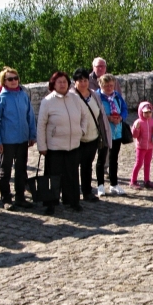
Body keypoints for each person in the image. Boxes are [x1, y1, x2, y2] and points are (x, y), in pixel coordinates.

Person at [37, 71, 88, 214]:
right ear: (53, 84)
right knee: (53, 176)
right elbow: (41, 125)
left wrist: (81, 131)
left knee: (72, 176)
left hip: (73, 145)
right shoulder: (47, 101)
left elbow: (84, 116)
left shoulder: (75, 98)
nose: (62, 84)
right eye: (59, 82)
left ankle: (73, 201)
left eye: (64, 81)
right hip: (55, 146)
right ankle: (51, 204)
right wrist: (42, 146)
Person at [0, 67, 37, 210]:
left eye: (16, 78)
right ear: (4, 81)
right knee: (5, 171)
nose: (13, 81)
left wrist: (32, 134)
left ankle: (20, 198)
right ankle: (6, 199)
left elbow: (30, 116)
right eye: (10, 79)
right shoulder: (1, 98)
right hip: (7, 141)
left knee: (21, 170)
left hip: (22, 139)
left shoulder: (23, 95)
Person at [70, 68, 109, 203]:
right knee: (74, 166)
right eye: (80, 80)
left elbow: (100, 114)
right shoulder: (71, 97)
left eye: (85, 80)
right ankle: (73, 192)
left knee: (87, 165)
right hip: (77, 138)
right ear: (75, 82)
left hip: (93, 136)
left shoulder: (93, 95)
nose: (83, 83)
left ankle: (87, 191)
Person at [96, 73, 128, 196]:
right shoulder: (97, 97)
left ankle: (114, 184)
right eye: (106, 86)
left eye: (111, 85)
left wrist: (120, 117)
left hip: (116, 131)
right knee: (102, 158)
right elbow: (96, 113)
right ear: (101, 85)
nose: (109, 88)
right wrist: (107, 118)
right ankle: (100, 185)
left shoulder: (117, 96)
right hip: (104, 132)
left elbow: (124, 109)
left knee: (114, 159)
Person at [129, 101, 153, 189]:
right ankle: (133, 181)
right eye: (145, 112)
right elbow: (135, 135)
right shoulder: (138, 122)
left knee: (147, 164)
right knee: (139, 163)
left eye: (149, 112)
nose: (148, 114)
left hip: (150, 146)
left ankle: (147, 180)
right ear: (141, 112)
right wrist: (136, 128)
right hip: (141, 147)